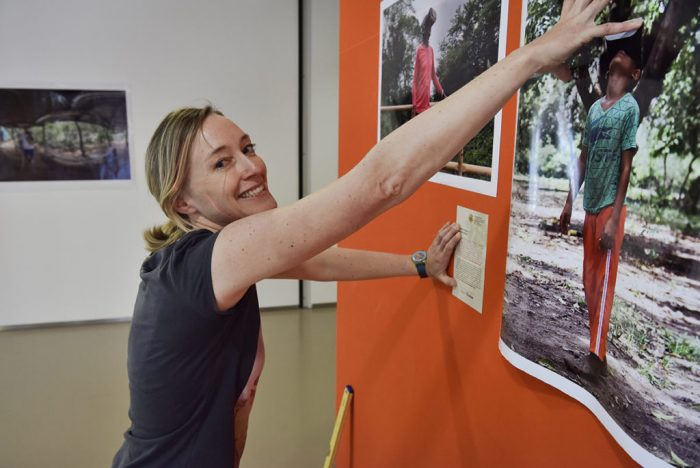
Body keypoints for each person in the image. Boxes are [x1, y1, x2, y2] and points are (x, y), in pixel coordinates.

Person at [113, 2, 642, 466]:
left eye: (248, 148)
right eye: (221, 162)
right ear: (183, 203)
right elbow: (382, 182)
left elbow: (320, 261)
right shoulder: (209, 261)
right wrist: (534, 56)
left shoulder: (214, 260)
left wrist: (418, 264)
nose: (251, 167)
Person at [559, 30, 642, 378]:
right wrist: (569, 203)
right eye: (616, 54)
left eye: (627, 55)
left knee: (604, 284)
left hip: (610, 208)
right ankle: (597, 353)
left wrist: (613, 220)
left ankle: (596, 358)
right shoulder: (594, 109)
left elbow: (626, 168)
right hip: (590, 206)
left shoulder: (630, 107)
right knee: (589, 283)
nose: (619, 55)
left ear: (635, 74)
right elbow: (582, 159)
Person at [412, 7, 445, 115]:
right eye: (425, 34)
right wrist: (414, 104)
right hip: (418, 105)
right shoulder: (419, 50)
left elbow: (433, 76)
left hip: (427, 104)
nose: (426, 36)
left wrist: (442, 92)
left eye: (428, 34)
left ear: (430, 35)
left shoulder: (431, 50)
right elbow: (415, 80)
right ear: (422, 34)